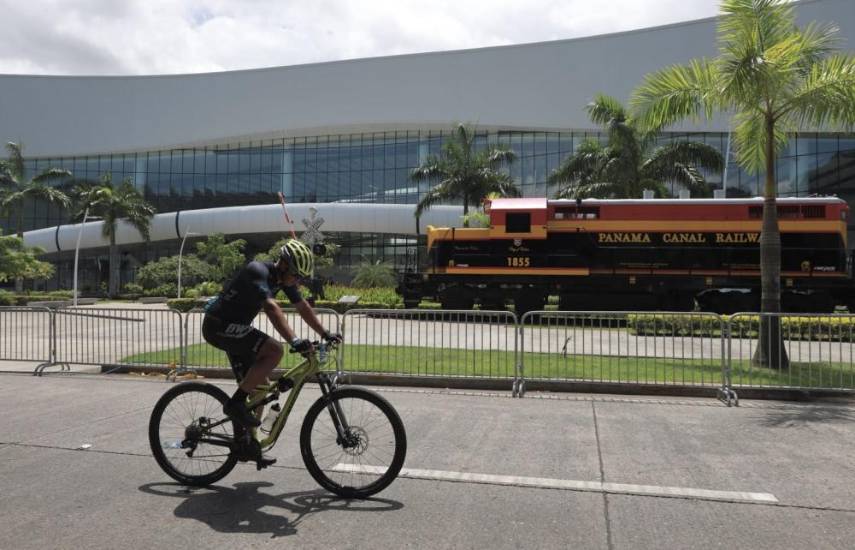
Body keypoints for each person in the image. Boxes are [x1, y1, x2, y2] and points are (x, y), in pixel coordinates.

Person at [202, 239, 342, 434]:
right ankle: (235, 404)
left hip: (236, 328)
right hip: (217, 325)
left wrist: (325, 334)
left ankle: (246, 442)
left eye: (301, 277)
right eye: (296, 275)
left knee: (260, 391)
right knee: (275, 350)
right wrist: (294, 340)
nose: (297, 281)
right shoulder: (258, 271)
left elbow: (302, 306)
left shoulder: (284, 279)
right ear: (283, 264)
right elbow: (271, 307)